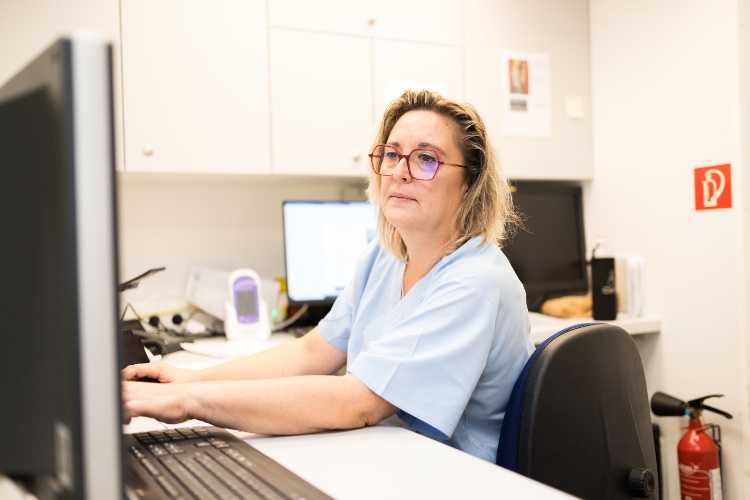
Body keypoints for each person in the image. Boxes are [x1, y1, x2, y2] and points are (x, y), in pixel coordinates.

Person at [122, 89, 534, 462]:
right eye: (391, 154)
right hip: (387, 453)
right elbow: (312, 353)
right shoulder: (384, 256)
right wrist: (190, 378)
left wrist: (189, 401)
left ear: (469, 184)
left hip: (453, 474)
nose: (399, 171)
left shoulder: (475, 281)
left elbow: (358, 403)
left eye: (426, 158)